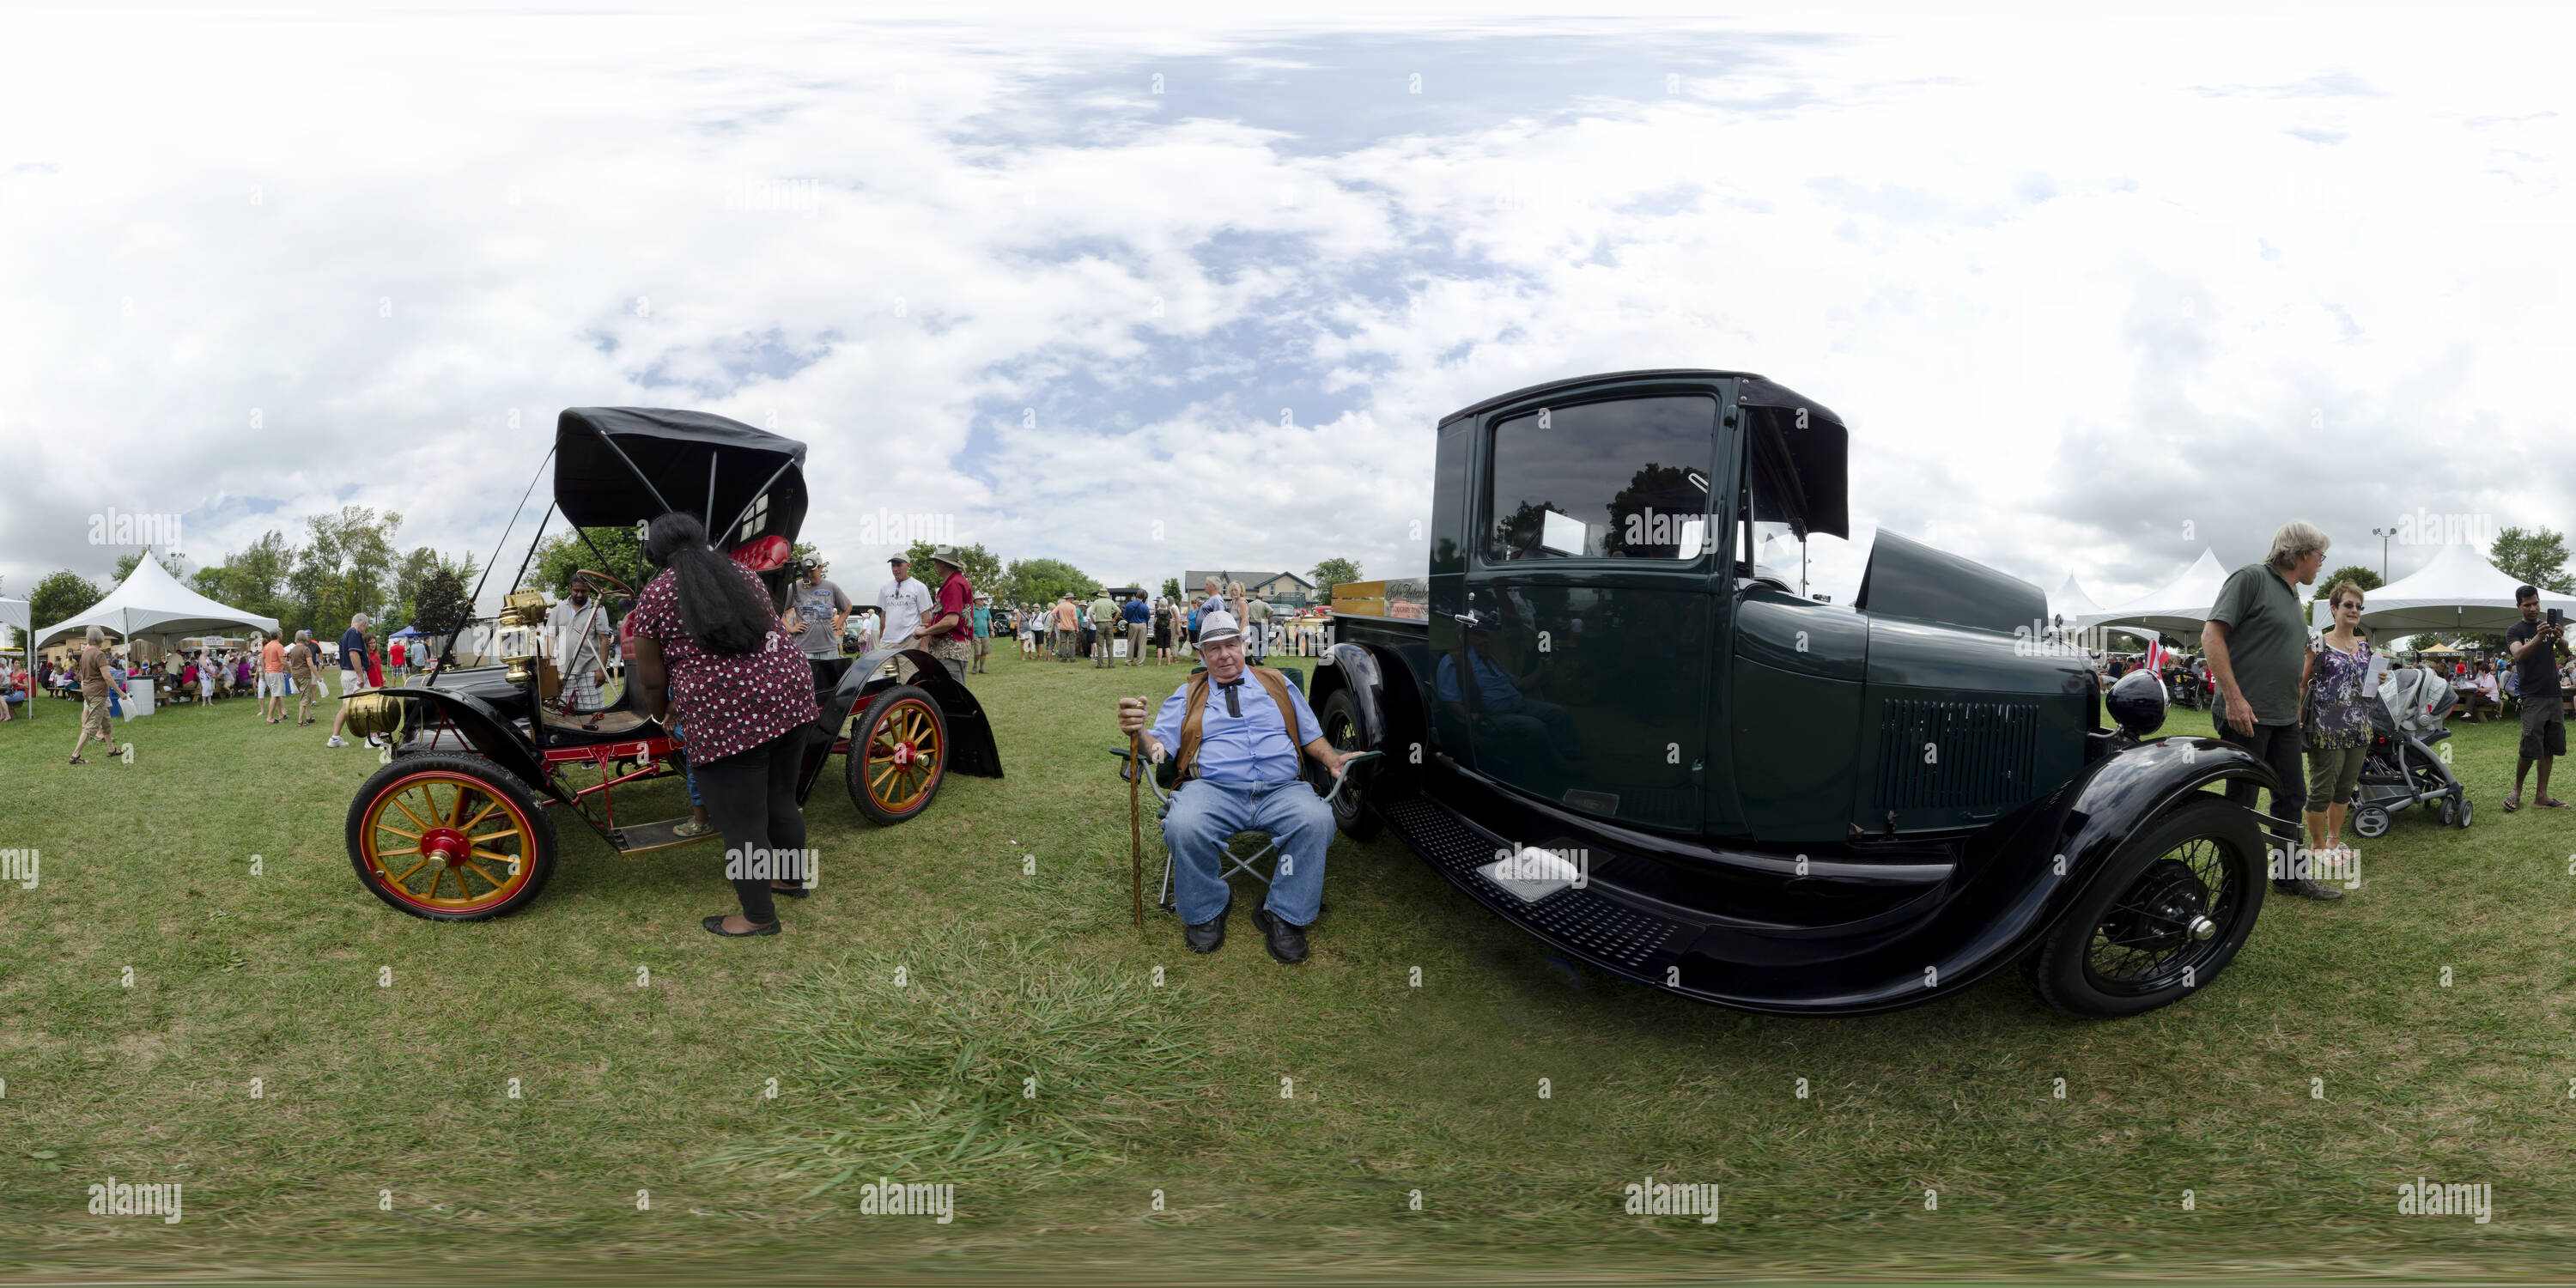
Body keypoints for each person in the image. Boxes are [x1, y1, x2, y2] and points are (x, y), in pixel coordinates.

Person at [1115, 611, 1355, 963]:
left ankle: (1284, 913)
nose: (1224, 654)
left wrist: (1332, 759)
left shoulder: (1278, 683)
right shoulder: (1186, 694)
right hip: (1212, 790)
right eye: (1213, 648)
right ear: (1201, 655)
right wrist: (1139, 733)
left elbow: (1310, 735)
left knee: (1316, 820)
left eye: (1231, 644)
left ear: (1244, 645)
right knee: (1184, 824)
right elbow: (1159, 751)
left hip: (1282, 789)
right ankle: (1208, 907)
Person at [627, 512, 821, 937]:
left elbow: (651, 679)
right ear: (701, 538)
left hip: (725, 716)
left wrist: (662, 713)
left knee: (741, 823)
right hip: (791, 694)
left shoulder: (655, 596)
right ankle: (790, 879)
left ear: (656, 553)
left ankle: (757, 917)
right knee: (781, 800)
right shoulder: (744, 574)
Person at [2202, 520, 2340, 901]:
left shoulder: (2294, 595)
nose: (2321, 565)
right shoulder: (2250, 579)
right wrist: (2233, 697)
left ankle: (2288, 877)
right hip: (2245, 715)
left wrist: (2293, 707)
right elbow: (2211, 635)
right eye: (2320, 557)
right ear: (2301, 554)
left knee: (2291, 797)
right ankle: (2234, 883)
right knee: (2242, 802)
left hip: (2282, 718)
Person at [2299, 580, 2377, 867]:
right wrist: (2297, 714)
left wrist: (2376, 680)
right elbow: (2303, 683)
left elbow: (2367, 689)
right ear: (2334, 609)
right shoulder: (2318, 643)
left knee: (2345, 788)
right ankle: (2317, 846)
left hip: (2360, 727)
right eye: (2348, 605)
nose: (2354, 610)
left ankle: (2333, 839)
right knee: (2322, 788)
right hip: (2326, 728)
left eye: (2358, 606)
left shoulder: (2366, 647)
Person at [2502, 585, 2566, 811]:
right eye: (2527, 604)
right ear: (2518, 605)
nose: (2533, 608)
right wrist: (2540, 636)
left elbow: (2567, 652)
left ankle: (2542, 796)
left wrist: (2559, 638)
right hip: (2532, 696)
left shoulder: (2548, 627)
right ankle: (2517, 790)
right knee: (2530, 746)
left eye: (2536, 603)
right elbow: (2518, 654)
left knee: (2549, 747)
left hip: (2554, 693)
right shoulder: (2515, 630)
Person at [544, 576, 617, 724]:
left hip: (590, 672)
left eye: (584, 591)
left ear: (589, 590)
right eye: (576, 590)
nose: (579, 594)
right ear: (570, 588)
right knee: (565, 716)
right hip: (563, 673)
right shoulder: (558, 610)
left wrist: (602, 670)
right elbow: (550, 639)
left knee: (594, 717)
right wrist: (550, 672)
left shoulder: (597, 609)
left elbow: (604, 640)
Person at [782, 557, 853, 694]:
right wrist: (791, 628)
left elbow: (848, 606)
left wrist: (839, 622)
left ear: (821, 568)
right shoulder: (794, 587)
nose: (808, 574)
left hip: (829, 649)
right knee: (805, 690)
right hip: (805, 649)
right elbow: (776, 611)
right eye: (805, 570)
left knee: (831, 690)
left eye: (811, 570)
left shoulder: (831, 587)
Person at [919, 547, 975, 681]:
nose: (935, 566)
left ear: (943, 564)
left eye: (936, 562)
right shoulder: (955, 582)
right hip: (950, 650)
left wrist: (924, 632)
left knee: (950, 696)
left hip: (950, 651)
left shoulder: (954, 584)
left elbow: (951, 620)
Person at [70, 625, 117, 765]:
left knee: (106, 721)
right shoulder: (99, 654)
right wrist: (120, 692)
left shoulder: (85, 653)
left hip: (88, 691)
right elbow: (107, 677)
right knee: (92, 725)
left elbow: (82, 675)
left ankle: (111, 749)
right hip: (98, 693)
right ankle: (75, 755)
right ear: (101, 639)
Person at [876, 554, 933, 652]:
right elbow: (884, 616)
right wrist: (881, 640)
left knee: (908, 668)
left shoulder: (919, 587)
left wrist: (924, 645)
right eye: (893, 565)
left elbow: (926, 618)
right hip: (887, 642)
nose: (895, 569)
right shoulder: (885, 588)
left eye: (899, 565)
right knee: (883, 668)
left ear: (908, 566)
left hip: (910, 641)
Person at [286, 629, 322, 726]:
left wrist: (292, 673)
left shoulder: (292, 650)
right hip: (304, 675)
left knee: (304, 696)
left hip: (295, 676)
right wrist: (318, 676)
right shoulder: (306, 649)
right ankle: (300, 721)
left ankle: (309, 717)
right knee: (305, 698)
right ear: (304, 638)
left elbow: (291, 664)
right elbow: (310, 664)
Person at [258, 631, 289, 723]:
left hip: (269, 673)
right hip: (276, 672)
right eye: (281, 633)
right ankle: (270, 717)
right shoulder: (279, 646)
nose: (282, 635)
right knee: (276, 695)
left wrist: (265, 670)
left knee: (277, 694)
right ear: (278, 635)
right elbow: (283, 661)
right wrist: (291, 671)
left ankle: (280, 714)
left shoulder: (267, 646)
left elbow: (261, 658)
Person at [339, 615, 373, 696]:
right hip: (354, 676)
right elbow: (353, 654)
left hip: (349, 674)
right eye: (366, 626)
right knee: (359, 706)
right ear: (364, 624)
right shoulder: (355, 632)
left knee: (348, 706)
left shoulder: (346, 635)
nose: (365, 629)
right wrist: (360, 677)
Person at [1087, 587, 1119, 668]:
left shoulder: (1096, 602)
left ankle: (1100, 665)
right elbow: (1119, 611)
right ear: (1106, 594)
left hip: (1099, 624)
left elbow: (1091, 613)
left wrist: (1094, 622)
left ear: (1099, 595)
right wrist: (1114, 619)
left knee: (1100, 645)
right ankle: (1111, 664)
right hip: (1109, 623)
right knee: (1110, 644)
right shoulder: (1110, 602)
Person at [1121, 590, 1151, 667]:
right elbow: (1148, 617)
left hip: (1132, 624)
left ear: (1135, 596)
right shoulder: (1145, 606)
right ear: (1143, 597)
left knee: (1131, 642)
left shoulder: (1129, 605)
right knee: (1142, 644)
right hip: (1142, 624)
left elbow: (1125, 616)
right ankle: (1140, 662)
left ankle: (1129, 661)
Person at [1244, 594, 1273, 662]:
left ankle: (1256, 656)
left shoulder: (1250, 604)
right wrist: (1267, 618)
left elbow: (1246, 614)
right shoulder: (1264, 604)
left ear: (1255, 598)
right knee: (1266, 641)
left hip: (1252, 624)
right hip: (1262, 623)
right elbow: (1271, 610)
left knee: (1255, 641)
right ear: (1262, 598)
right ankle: (1259, 657)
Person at [969, 594, 993, 674]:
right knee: (978, 652)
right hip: (975, 634)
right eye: (981, 599)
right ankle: (975, 665)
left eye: (983, 599)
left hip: (985, 634)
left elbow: (989, 621)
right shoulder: (971, 610)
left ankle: (982, 668)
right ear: (976, 600)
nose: (983, 601)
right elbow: (969, 622)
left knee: (984, 652)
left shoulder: (986, 610)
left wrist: (992, 630)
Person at [1053, 593, 1079, 662]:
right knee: (1072, 643)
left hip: (1062, 627)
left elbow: (1053, 613)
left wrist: (1057, 619)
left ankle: (1063, 658)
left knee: (1063, 643)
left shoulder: (1060, 605)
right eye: (1073, 598)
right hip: (1071, 627)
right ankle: (1072, 658)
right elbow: (1075, 619)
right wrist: (1077, 627)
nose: (1073, 599)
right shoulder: (1073, 606)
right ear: (1070, 598)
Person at [1151, 595, 1175, 665]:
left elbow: (1155, 621)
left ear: (1160, 604)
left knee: (1160, 647)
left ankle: (1159, 663)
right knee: (1167, 646)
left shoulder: (1158, 612)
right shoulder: (1169, 612)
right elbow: (1170, 622)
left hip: (1159, 630)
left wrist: (1154, 631)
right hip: (1167, 630)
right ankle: (1168, 662)